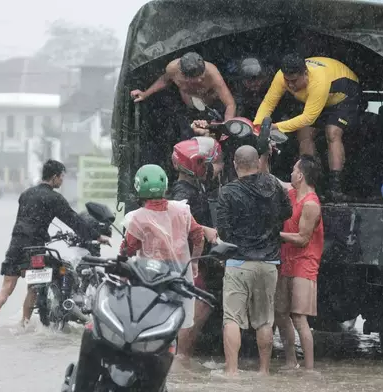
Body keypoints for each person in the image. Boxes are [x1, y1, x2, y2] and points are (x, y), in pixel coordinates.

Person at [0, 160, 111, 330]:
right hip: (36, 247)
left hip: (16, 243)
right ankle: (25, 323)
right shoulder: (54, 198)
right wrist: (97, 236)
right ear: (54, 177)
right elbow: (73, 220)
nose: (62, 181)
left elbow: (27, 219)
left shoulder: (26, 194)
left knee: (7, 286)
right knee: (33, 288)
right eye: (61, 177)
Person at [214, 145, 292, 378]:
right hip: (269, 264)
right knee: (264, 320)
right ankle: (264, 371)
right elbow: (287, 213)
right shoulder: (273, 185)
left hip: (238, 263)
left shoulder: (227, 192)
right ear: (258, 163)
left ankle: (231, 372)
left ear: (235, 165)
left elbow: (224, 233)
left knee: (232, 319)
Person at [119, 164, 205, 355]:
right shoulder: (182, 210)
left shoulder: (136, 218)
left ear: (137, 186)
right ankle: (174, 362)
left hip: (151, 275)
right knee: (176, 322)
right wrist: (196, 262)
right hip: (180, 276)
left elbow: (127, 250)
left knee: (150, 323)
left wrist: (123, 275)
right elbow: (198, 235)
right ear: (166, 185)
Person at [253, 54, 362, 199]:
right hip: (318, 97)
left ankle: (335, 186)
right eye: (287, 81)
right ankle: (310, 182)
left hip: (344, 96)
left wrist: (275, 127)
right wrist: (257, 126)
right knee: (303, 135)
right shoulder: (282, 76)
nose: (290, 85)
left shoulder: (318, 81)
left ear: (305, 74)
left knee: (332, 132)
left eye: (294, 81)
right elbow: (268, 103)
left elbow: (308, 118)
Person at [164, 137, 223, 363]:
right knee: (197, 309)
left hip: (190, 260)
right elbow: (178, 218)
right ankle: (181, 360)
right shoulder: (183, 192)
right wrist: (206, 229)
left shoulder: (191, 187)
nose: (214, 168)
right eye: (208, 164)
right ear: (196, 165)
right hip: (188, 262)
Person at [273, 155, 324, 373]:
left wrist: (275, 235)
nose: (291, 173)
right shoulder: (292, 193)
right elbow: (272, 180)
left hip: (305, 264)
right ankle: (290, 362)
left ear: (301, 175)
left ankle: (309, 369)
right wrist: (266, 153)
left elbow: (303, 239)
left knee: (299, 318)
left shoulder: (311, 203)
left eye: (294, 170)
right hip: (287, 262)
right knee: (280, 312)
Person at [130, 51, 237, 121]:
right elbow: (164, 80)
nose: (200, 79)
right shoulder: (172, 69)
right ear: (183, 74)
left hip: (212, 108)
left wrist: (227, 126)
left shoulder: (213, 74)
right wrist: (145, 94)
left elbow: (230, 104)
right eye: (196, 78)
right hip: (188, 110)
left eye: (202, 76)